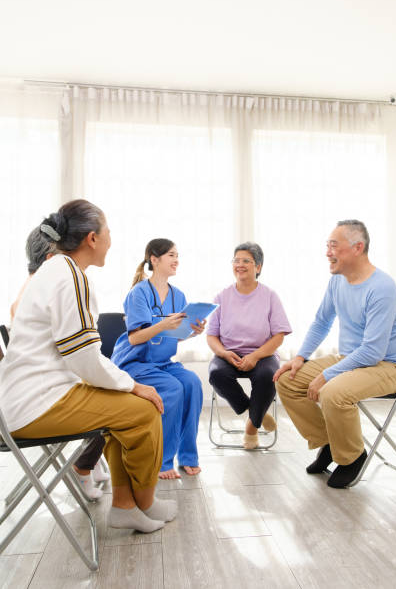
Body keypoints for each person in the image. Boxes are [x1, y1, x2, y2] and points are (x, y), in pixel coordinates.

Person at [0, 199, 176, 533]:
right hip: (36, 404)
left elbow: (79, 355)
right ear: (91, 239)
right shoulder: (70, 277)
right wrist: (134, 384)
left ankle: (126, 506)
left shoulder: (56, 270)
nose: (111, 238)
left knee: (123, 414)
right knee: (143, 410)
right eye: (108, 231)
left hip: (25, 401)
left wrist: (124, 384)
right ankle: (145, 500)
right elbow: (82, 357)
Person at [274, 220, 396, 488]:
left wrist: (328, 374)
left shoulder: (381, 288)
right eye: (327, 245)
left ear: (358, 248)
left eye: (334, 245)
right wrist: (300, 357)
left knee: (332, 391)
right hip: (350, 359)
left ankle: (352, 457)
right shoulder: (337, 282)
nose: (327, 252)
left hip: (386, 366)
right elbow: (322, 322)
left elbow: (373, 351)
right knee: (287, 379)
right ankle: (329, 443)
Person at [10, 225, 109, 500]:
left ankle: (91, 461)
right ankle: (84, 466)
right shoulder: (36, 290)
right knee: (115, 398)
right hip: (42, 393)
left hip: (45, 384)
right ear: (51, 258)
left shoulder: (34, 286)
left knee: (112, 385)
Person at [111, 238, 204, 480]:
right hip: (135, 363)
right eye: (171, 255)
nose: (176, 260)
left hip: (163, 364)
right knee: (173, 388)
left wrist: (192, 331)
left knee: (192, 383)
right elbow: (135, 338)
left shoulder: (179, 295)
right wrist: (162, 323)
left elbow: (172, 337)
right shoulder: (139, 293)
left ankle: (188, 456)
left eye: (177, 255)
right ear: (154, 259)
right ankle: (162, 461)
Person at [207, 242, 292, 449]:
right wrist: (224, 354)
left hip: (263, 353)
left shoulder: (270, 296)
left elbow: (279, 335)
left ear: (258, 267)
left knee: (268, 376)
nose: (240, 265)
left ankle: (251, 428)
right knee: (216, 374)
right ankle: (255, 414)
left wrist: (255, 356)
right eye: (236, 260)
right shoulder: (221, 297)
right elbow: (211, 336)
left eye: (246, 261)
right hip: (228, 353)